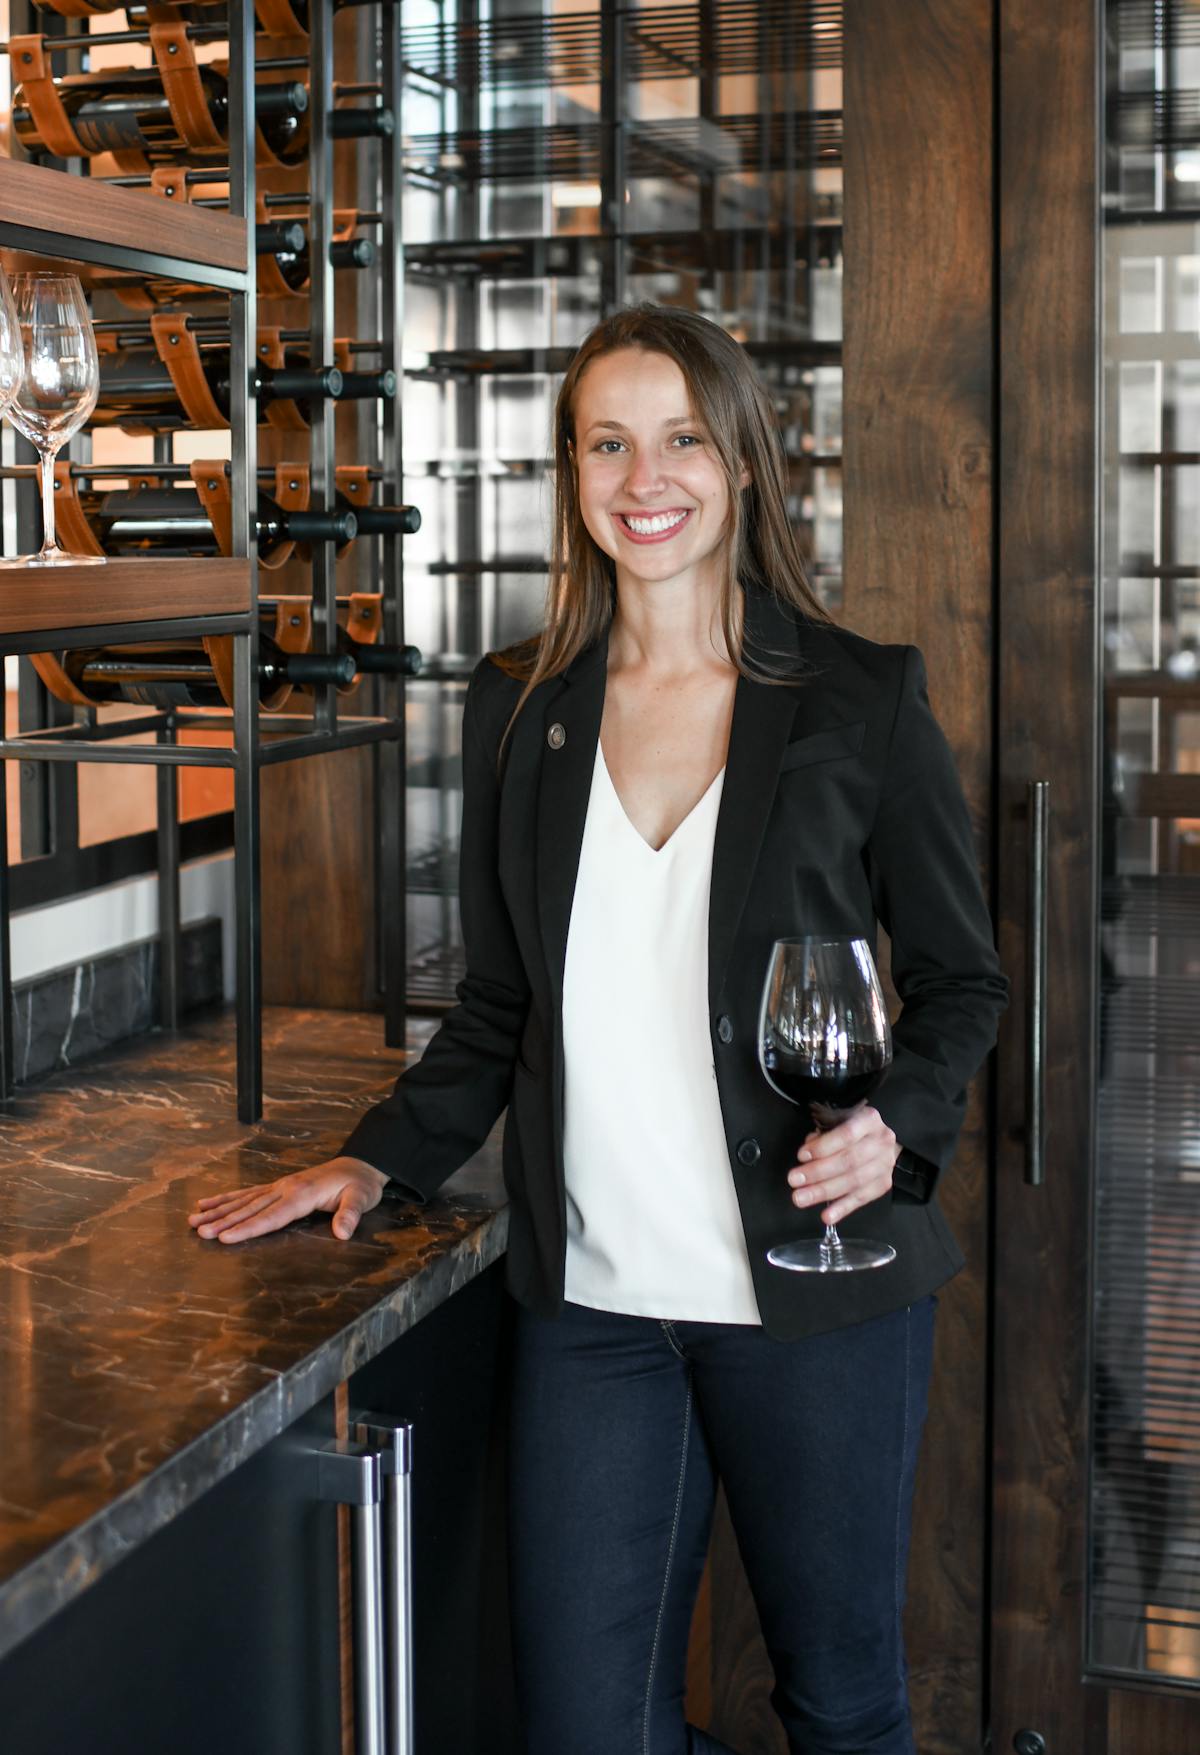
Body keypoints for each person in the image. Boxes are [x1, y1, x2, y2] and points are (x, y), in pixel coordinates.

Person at [188, 303, 1009, 1754]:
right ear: (573, 477)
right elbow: (501, 999)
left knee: (844, 1707)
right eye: (609, 443)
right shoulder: (520, 706)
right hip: (599, 1317)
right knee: (586, 1729)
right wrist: (378, 1159)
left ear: (744, 462)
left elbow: (963, 981)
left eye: (685, 437)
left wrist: (896, 1125)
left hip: (814, 1305)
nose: (649, 477)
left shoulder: (856, 698)